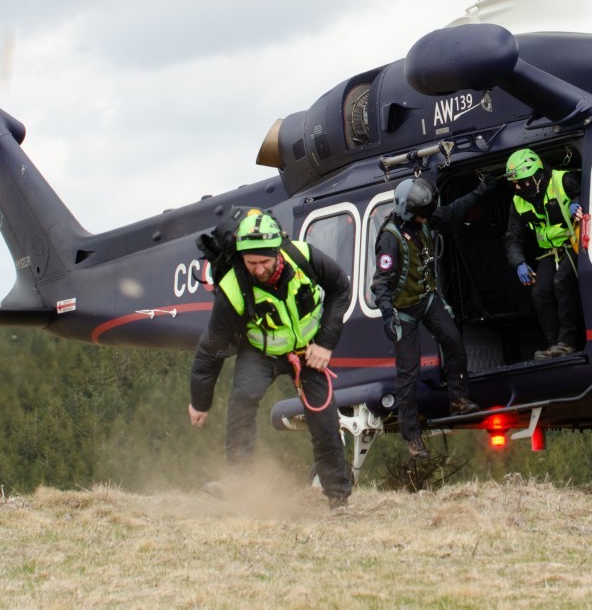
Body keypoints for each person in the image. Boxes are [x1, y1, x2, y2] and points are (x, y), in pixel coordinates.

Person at [187, 209, 353, 510]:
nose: (259, 269)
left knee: (324, 420)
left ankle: (339, 497)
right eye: (251, 263)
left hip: (308, 349)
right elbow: (210, 347)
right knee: (243, 398)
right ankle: (239, 482)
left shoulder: (302, 256)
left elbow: (341, 288)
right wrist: (200, 402)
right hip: (260, 350)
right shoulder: (234, 288)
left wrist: (325, 344)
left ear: (277, 252)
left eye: (264, 261)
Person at [371, 176, 486, 459]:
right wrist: (388, 315)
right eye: (422, 215)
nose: (426, 219)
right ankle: (412, 437)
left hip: (427, 298)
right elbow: (380, 284)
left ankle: (459, 398)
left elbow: (451, 212)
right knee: (407, 375)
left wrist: (480, 191)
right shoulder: (390, 238)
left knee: (453, 340)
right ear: (408, 211)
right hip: (404, 311)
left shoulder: (422, 216)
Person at [503, 148, 584, 360]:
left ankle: (567, 342)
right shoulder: (518, 201)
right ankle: (553, 345)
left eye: (523, 182)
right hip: (551, 252)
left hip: (575, 244)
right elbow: (513, 237)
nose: (519, 188)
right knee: (540, 293)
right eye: (515, 184)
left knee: (562, 282)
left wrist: (579, 201)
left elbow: (589, 189)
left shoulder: (563, 179)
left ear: (538, 175)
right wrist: (519, 263)